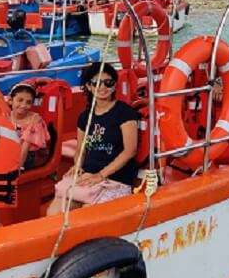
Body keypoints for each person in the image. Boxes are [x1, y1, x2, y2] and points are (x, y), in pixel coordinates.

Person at [46, 62, 138, 215]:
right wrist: (78, 166)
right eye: (96, 83)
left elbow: (130, 151)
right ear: (88, 86)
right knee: (54, 212)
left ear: (114, 85)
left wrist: (101, 175)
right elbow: (81, 149)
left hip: (115, 179)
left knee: (87, 215)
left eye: (107, 82)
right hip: (88, 176)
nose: (102, 87)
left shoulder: (125, 113)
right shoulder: (85, 117)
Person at [8, 83, 50, 170]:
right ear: (11, 101)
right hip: (9, 150)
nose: (23, 105)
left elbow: (25, 147)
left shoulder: (35, 120)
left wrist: (17, 168)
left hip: (26, 155)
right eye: (20, 100)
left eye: (28, 102)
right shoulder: (5, 116)